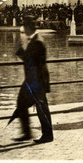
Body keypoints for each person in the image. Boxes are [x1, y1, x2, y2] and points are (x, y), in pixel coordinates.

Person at [14, 16, 53, 144]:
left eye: (24, 26)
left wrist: (19, 49)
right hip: (33, 79)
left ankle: (46, 135)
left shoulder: (37, 42)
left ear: (28, 27)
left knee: (41, 107)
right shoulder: (35, 40)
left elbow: (28, 60)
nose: (23, 29)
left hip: (36, 80)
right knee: (24, 104)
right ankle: (28, 133)